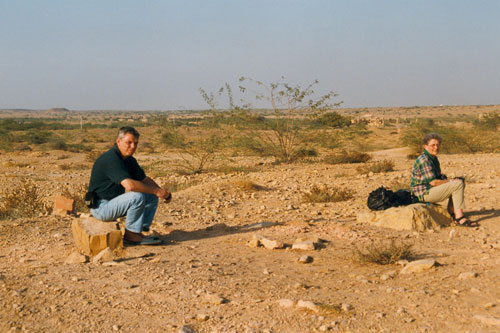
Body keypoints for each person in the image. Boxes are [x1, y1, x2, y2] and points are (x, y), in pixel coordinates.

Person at [88, 126, 172, 245]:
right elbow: (130, 186)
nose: (133, 147)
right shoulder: (110, 159)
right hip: (101, 207)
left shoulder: (129, 160)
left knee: (151, 193)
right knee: (137, 197)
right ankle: (131, 235)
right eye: (129, 142)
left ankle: (139, 231)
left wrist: (161, 192)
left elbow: (144, 179)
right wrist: (156, 191)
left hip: (114, 203)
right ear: (118, 141)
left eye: (135, 143)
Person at [410, 133, 476, 227]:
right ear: (425, 146)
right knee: (457, 184)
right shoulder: (424, 160)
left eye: (437, 145)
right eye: (433, 145)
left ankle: (452, 212)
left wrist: (451, 180)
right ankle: (459, 217)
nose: (436, 147)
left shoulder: (433, 158)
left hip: (429, 189)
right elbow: (433, 182)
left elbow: (438, 177)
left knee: (459, 182)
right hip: (423, 193)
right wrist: (451, 182)